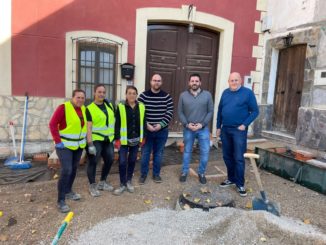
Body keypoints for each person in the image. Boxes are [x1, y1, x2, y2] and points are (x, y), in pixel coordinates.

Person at [216, 72, 259, 197]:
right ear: (228, 81)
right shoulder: (225, 93)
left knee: (239, 158)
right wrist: (218, 126)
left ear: (240, 81)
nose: (234, 82)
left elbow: (255, 111)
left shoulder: (247, 93)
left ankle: (240, 184)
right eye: (231, 80)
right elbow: (220, 110)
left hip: (239, 131)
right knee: (227, 156)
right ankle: (231, 178)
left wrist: (244, 124)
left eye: (236, 80)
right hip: (225, 130)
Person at [49, 89, 87, 213]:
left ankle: (69, 191)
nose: (80, 100)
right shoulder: (63, 108)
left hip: (78, 145)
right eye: (78, 97)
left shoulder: (84, 110)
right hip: (64, 146)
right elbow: (53, 124)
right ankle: (61, 200)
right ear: (72, 97)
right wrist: (57, 141)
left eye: (82, 98)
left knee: (74, 169)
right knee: (67, 170)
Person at [178, 73, 214, 184]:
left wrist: (202, 124)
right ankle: (184, 172)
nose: (194, 83)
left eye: (196, 81)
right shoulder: (183, 95)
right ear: (189, 83)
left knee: (205, 151)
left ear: (200, 83)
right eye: (192, 81)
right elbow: (180, 112)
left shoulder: (207, 95)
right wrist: (187, 124)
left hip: (202, 128)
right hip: (188, 128)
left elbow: (210, 111)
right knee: (187, 151)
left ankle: (201, 172)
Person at [138, 74, 174, 184]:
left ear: (161, 82)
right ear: (151, 81)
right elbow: (139, 112)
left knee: (159, 153)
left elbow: (169, 112)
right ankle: (143, 175)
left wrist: (160, 125)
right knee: (145, 153)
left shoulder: (166, 97)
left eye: (159, 80)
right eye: (154, 80)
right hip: (147, 131)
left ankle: (156, 174)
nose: (156, 82)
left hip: (161, 131)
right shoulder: (143, 96)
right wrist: (147, 124)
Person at [113, 86, 146, 195]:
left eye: (134, 93)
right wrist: (117, 139)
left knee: (132, 161)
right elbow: (117, 124)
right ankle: (122, 184)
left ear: (136, 95)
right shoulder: (121, 107)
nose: (131, 95)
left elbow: (143, 122)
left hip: (136, 140)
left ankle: (128, 181)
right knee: (122, 162)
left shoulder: (141, 107)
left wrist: (143, 137)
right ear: (126, 95)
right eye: (129, 93)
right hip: (123, 140)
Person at [85, 84, 115, 197]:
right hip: (96, 139)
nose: (101, 94)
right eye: (99, 92)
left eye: (103, 92)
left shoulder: (109, 105)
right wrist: (90, 144)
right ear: (94, 93)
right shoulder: (89, 108)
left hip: (108, 139)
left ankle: (102, 182)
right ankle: (92, 186)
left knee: (110, 159)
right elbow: (88, 128)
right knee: (93, 161)